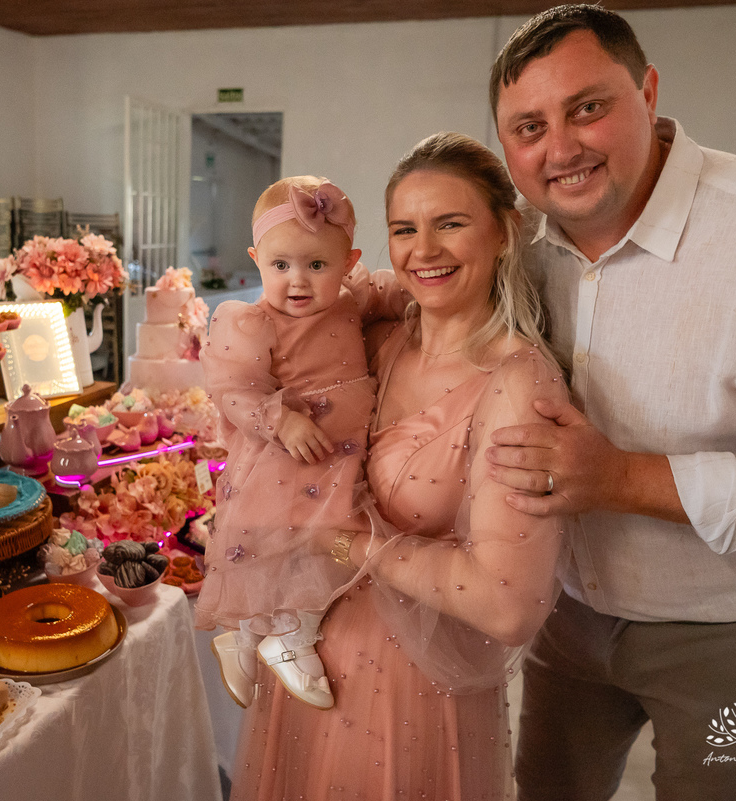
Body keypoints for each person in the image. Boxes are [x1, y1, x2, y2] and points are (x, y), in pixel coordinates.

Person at [485, 6, 736, 800]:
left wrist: (620, 478)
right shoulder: (519, 240)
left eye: (588, 107)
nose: (561, 148)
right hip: (571, 612)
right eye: (528, 126)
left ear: (648, 91)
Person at [227, 135, 569, 800]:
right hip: (305, 663)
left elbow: (507, 604)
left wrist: (347, 541)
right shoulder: (377, 340)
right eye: (405, 229)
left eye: (450, 223)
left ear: (504, 230)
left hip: (411, 692)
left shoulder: (517, 382)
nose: (424, 249)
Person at [196, 176, 383, 711]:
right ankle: (290, 639)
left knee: (316, 553)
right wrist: (281, 419)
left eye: (316, 266)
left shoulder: (351, 301)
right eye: (280, 266)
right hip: (289, 459)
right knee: (288, 556)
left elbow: (392, 291)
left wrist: (419, 299)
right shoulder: (253, 322)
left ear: (349, 262)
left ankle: (246, 639)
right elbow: (232, 389)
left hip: (338, 458)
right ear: (256, 259)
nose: (297, 281)